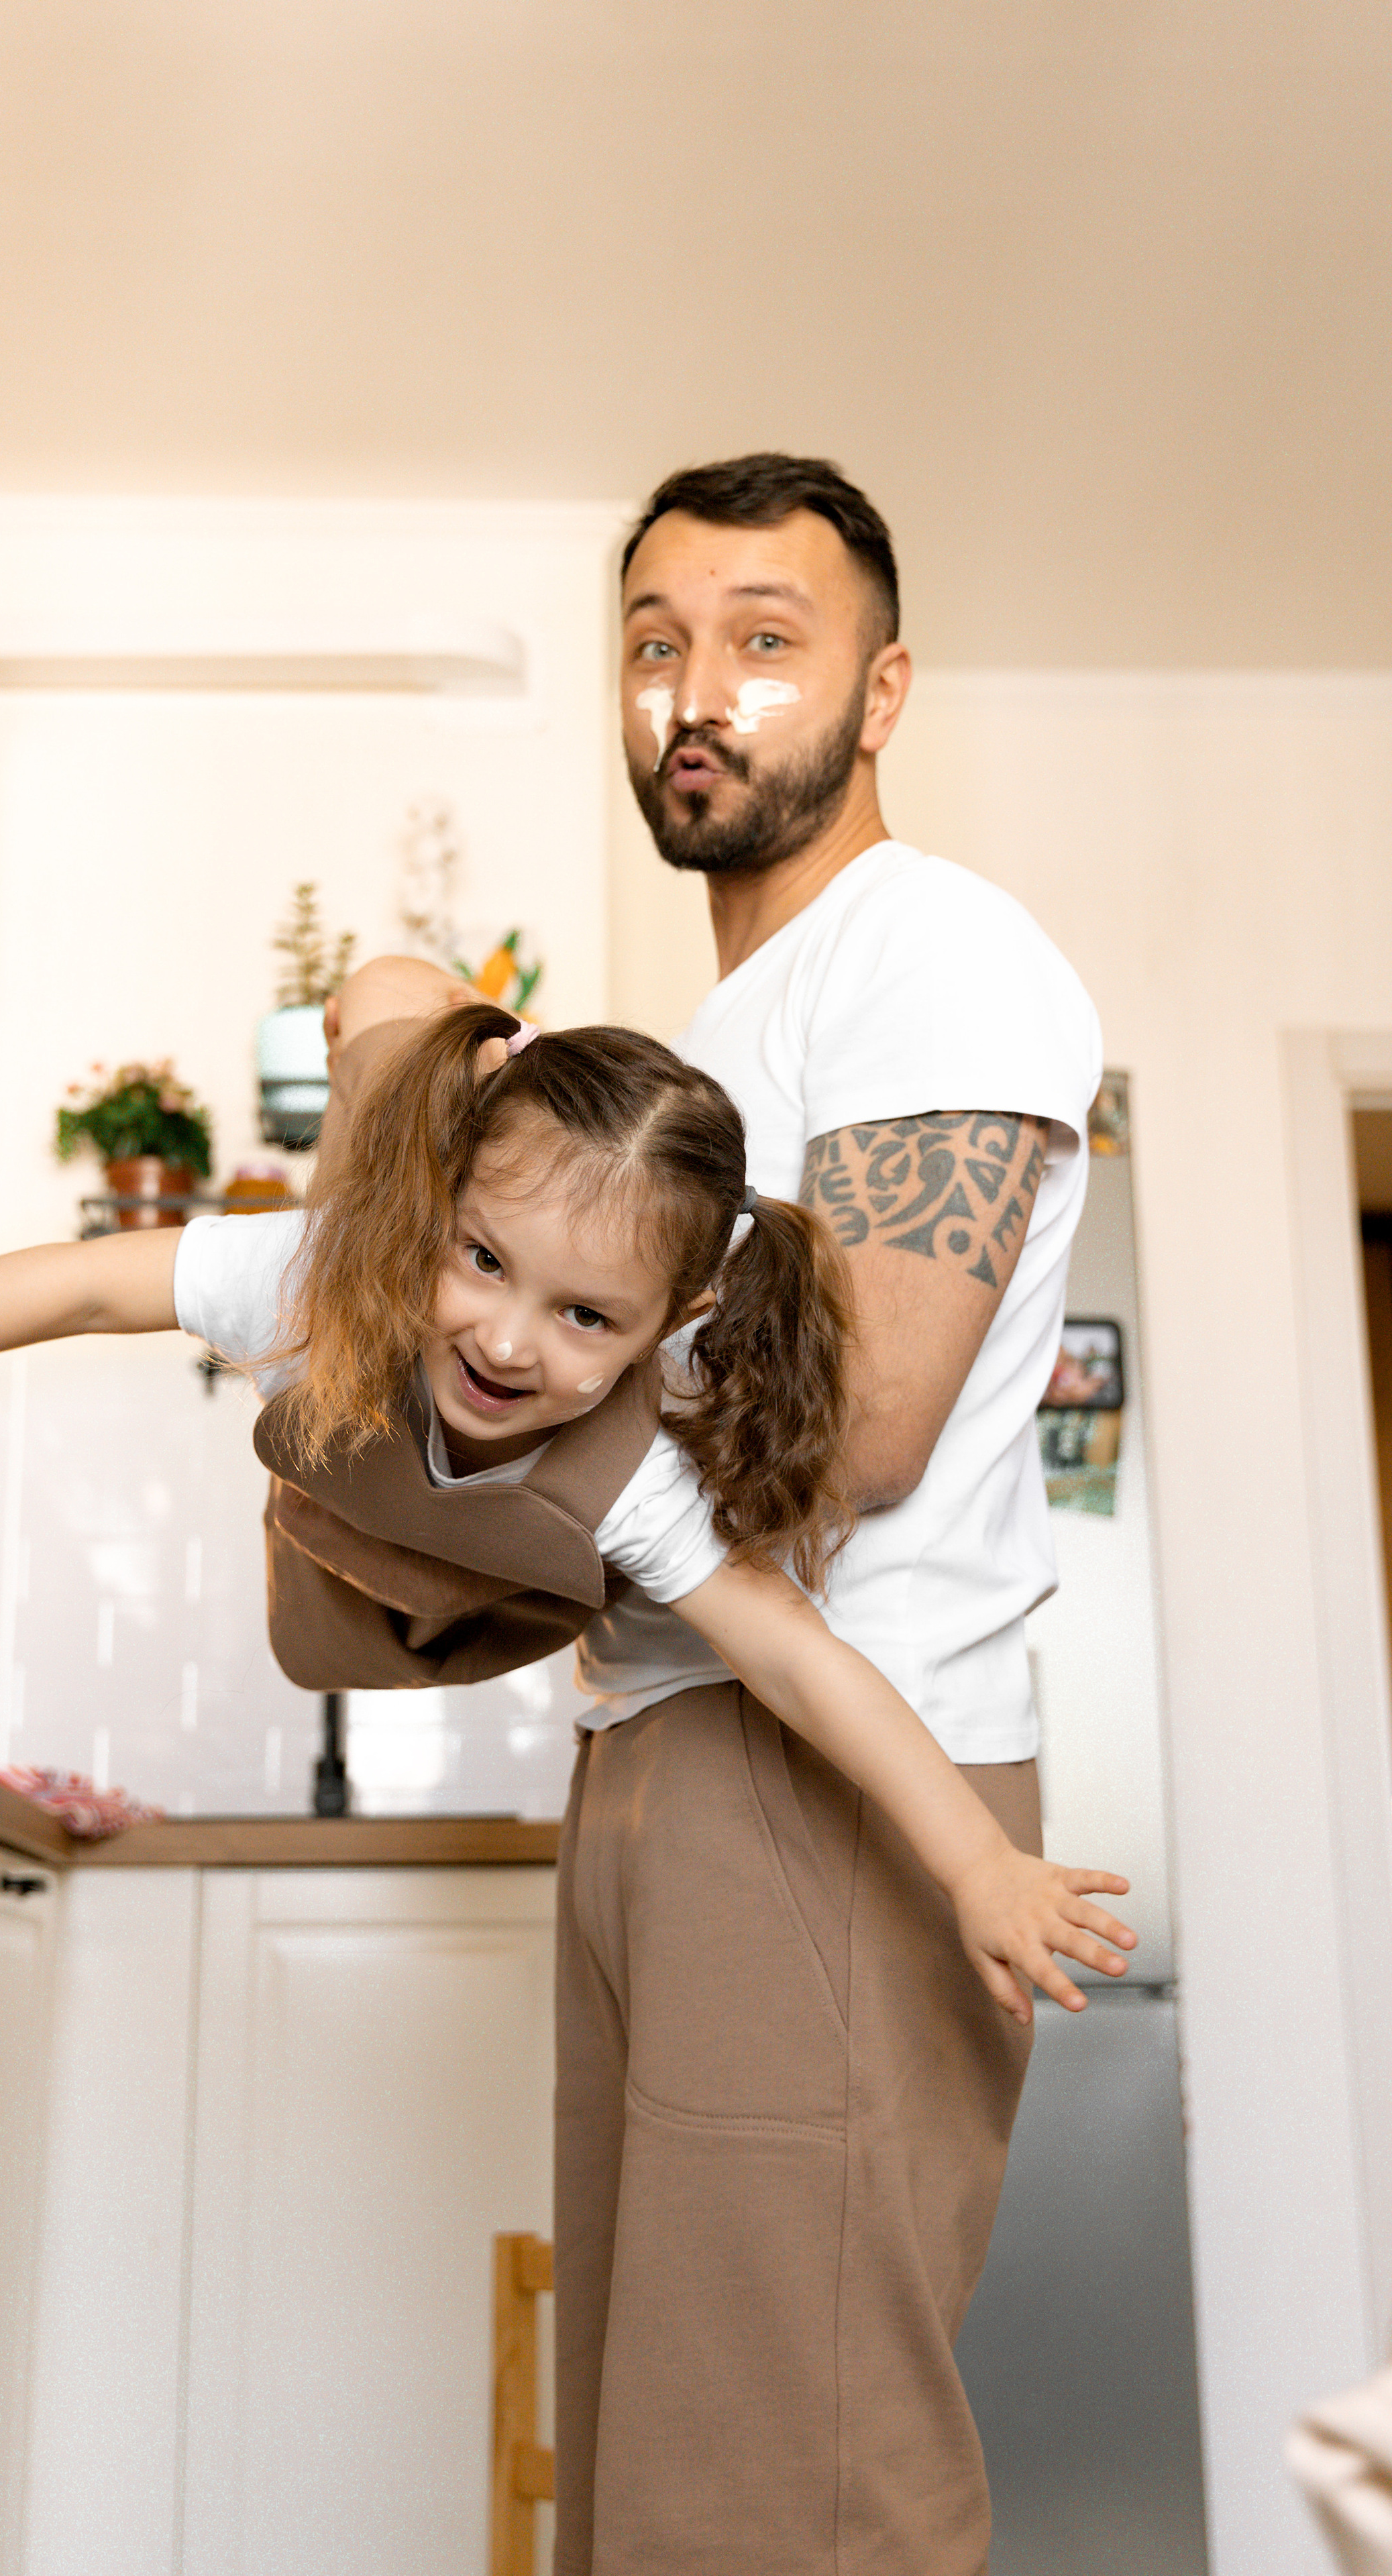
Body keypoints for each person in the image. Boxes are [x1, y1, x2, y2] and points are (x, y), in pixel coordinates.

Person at [0, 994, 1131, 2068]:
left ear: (669, 1327)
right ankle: (408, 1031)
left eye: (583, 1318)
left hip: (460, 1580)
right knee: (389, 1023)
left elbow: (800, 1660)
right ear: (441, 1210)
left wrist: (974, 1862)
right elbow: (81, 1288)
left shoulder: (635, 1473)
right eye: (484, 1260)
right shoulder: (333, 1272)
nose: (507, 1343)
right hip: (342, 1481)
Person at [549, 451, 1106, 2576]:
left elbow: (858, 1425)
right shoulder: (722, 1031)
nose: (700, 691)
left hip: (837, 1777)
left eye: (766, 643)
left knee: (795, 2499)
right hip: (669, 1749)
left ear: (881, 695)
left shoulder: (932, 949)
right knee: (671, 2487)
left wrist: (488, 1439)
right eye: (658, 645)